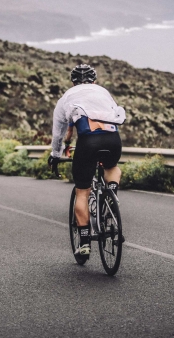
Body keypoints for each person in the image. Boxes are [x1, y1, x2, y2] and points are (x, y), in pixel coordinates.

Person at [48, 64, 126, 257]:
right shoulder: (103, 92)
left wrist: (55, 155)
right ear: (94, 80)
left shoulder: (66, 98)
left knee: (82, 192)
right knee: (112, 167)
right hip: (112, 139)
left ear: (73, 81)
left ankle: (84, 242)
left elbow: (59, 133)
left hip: (88, 141)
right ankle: (112, 194)